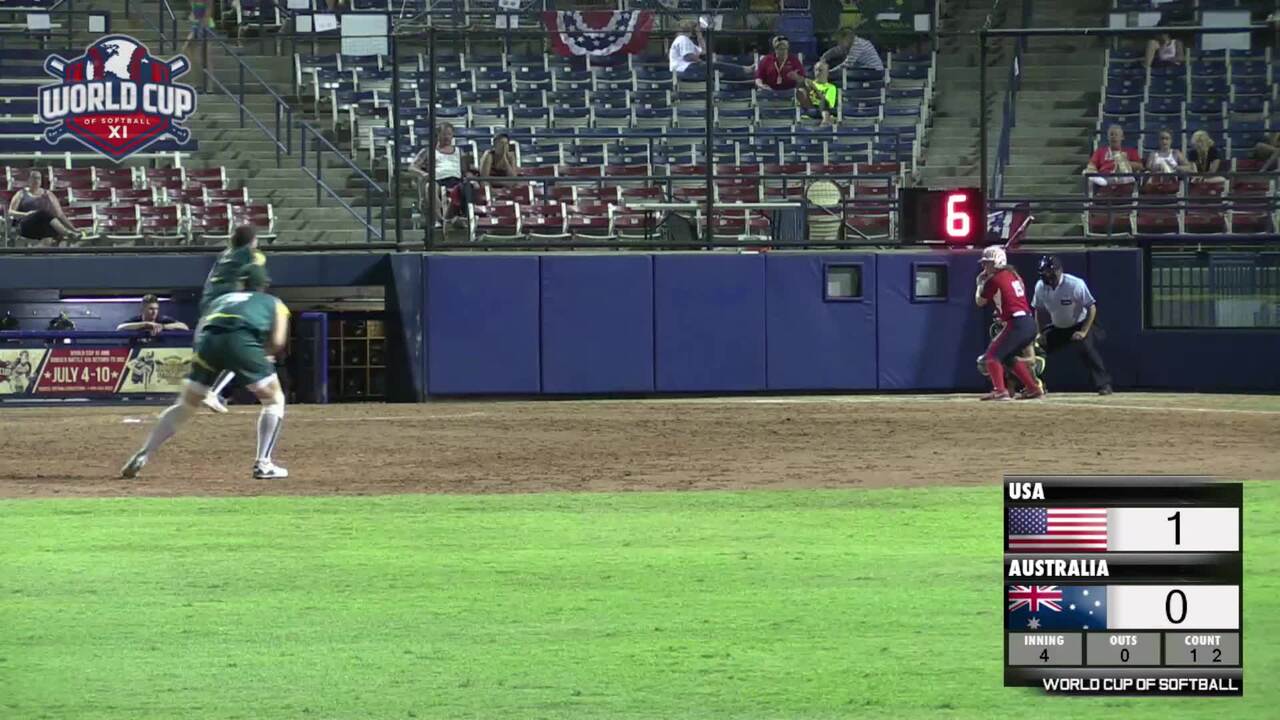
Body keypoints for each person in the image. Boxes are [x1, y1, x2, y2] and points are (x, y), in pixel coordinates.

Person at [121, 264, 290, 481]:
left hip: (208, 342)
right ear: (264, 285)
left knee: (185, 406)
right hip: (243, 341)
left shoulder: (221, 300)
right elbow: (277, 341)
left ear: (240, 283)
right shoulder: (274, 303)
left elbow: (201, 329)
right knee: (274, 399)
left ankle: (144, 453)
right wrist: (262, 354)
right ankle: (263, 464)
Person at [197, 224, 268, 414]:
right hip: (228, 309)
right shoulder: (254, 255)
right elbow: (259, 284)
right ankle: (212, 392)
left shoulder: (224, 255)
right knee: (238, 353)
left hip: (208, 306)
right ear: (253, 241)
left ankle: (207, 390)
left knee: (218, 354)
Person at [1032, 255, 1113, 395]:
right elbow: (1038, 310)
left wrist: (1084, 331)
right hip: (1057, 326)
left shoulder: (1075, 284)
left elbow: (1091, 307)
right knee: (1036, 349)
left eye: (1050, 272)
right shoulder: (1040, 287)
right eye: (1044, 273)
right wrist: (1039, 333)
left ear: (1059, 270)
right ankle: (1036, 385)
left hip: (1079, 324)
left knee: (1086, 348)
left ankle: (1103, 385)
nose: (1048, 276)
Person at [974, 245, 1041, 401]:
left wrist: (979, 284)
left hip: (1017, 323)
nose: (984, 266)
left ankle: (1000, 391)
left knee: (992, 356)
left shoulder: (994, 280)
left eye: (988, 263)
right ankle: (1033, 388)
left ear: (997, 262)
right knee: (1008, 357)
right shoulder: (1014, 275)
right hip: (1028, 322)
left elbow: (980, 301)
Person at [410, 121, 474, 228]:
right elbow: (412, 167)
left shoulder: (459, 151)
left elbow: (465, 170)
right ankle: (439, 220)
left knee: (468, 187)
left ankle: (464, 218)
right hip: (437, 180)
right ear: (438, 134)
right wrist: (423, 174)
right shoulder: (428, 151)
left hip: (456, 181)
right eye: (444, 134)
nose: (447, 137)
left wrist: (471, 177)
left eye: (449, 134)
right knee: (430, 188)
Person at [6, 171, 80, 244]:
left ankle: (70, 234)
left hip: (44, 227)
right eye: (34, 178)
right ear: (29, 180)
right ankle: (66, 233)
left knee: (47, 219)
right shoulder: (21, 194)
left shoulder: (48, 194)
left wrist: (74, 229)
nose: (36, 181)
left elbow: (60, 214)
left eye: (38, 178)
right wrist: (26, 214)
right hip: (27, 226)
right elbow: (10, 212)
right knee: (42, 213)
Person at [755, 36, 810, 110]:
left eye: (785, 48)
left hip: (790, 91)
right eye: (780, 49)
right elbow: (758, 78)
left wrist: (796, 77)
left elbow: (803, 80)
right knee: (759, 92)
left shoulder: (794, 60)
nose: (783, 51)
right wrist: (761, 85)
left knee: (802, 91)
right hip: (770, 90)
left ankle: (804, 114)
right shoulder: (766, 60)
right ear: (775, 49)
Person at [116, 294, 190, 335]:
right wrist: (145, 324)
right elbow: (120, 327)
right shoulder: (137, 320)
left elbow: (184, 327)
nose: (154, 312)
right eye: (151, 309)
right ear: (143, 309)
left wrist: (162, 326)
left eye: (156, 309)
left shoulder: (162, 319)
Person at [804, 61, 840, 127]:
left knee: (823, 101)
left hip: (821, 109)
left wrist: (814, 89)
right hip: (807, 109)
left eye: (820, 70)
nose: (818, 73)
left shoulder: (831, 87)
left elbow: (828, 104)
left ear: (827, 72)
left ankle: (825, 121)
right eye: (816, 70)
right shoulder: (808, 84)